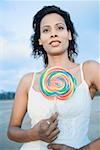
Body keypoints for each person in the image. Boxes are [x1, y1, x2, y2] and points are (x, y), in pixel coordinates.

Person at [7, 5, 100, 150]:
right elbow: (12, 130)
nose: (53, 34)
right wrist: (33, 134)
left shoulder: (90, 70)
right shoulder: (27, 80)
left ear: (69, 34)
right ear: (40, 40)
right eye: (46, 30)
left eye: (59, 28)